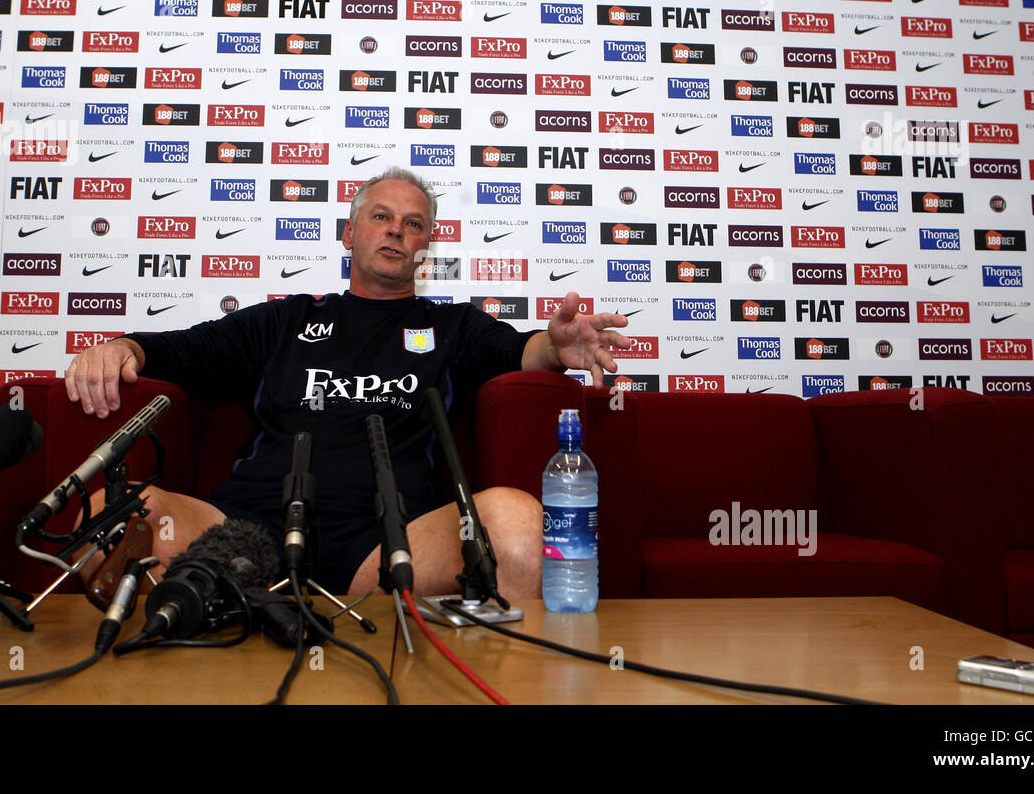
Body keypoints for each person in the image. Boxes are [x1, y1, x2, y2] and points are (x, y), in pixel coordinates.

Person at [64, 168, 629, 601]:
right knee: (108, 515)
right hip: (247, 532)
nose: (396, 232)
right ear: (349, 232)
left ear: (424, 246)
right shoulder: (283, 320)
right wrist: (124, 347)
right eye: (382, 217)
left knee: (519, 522)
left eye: (413, 225)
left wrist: (555, 349)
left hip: (387, 544)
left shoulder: (452, 327)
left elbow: (519, 350)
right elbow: (187, 350)